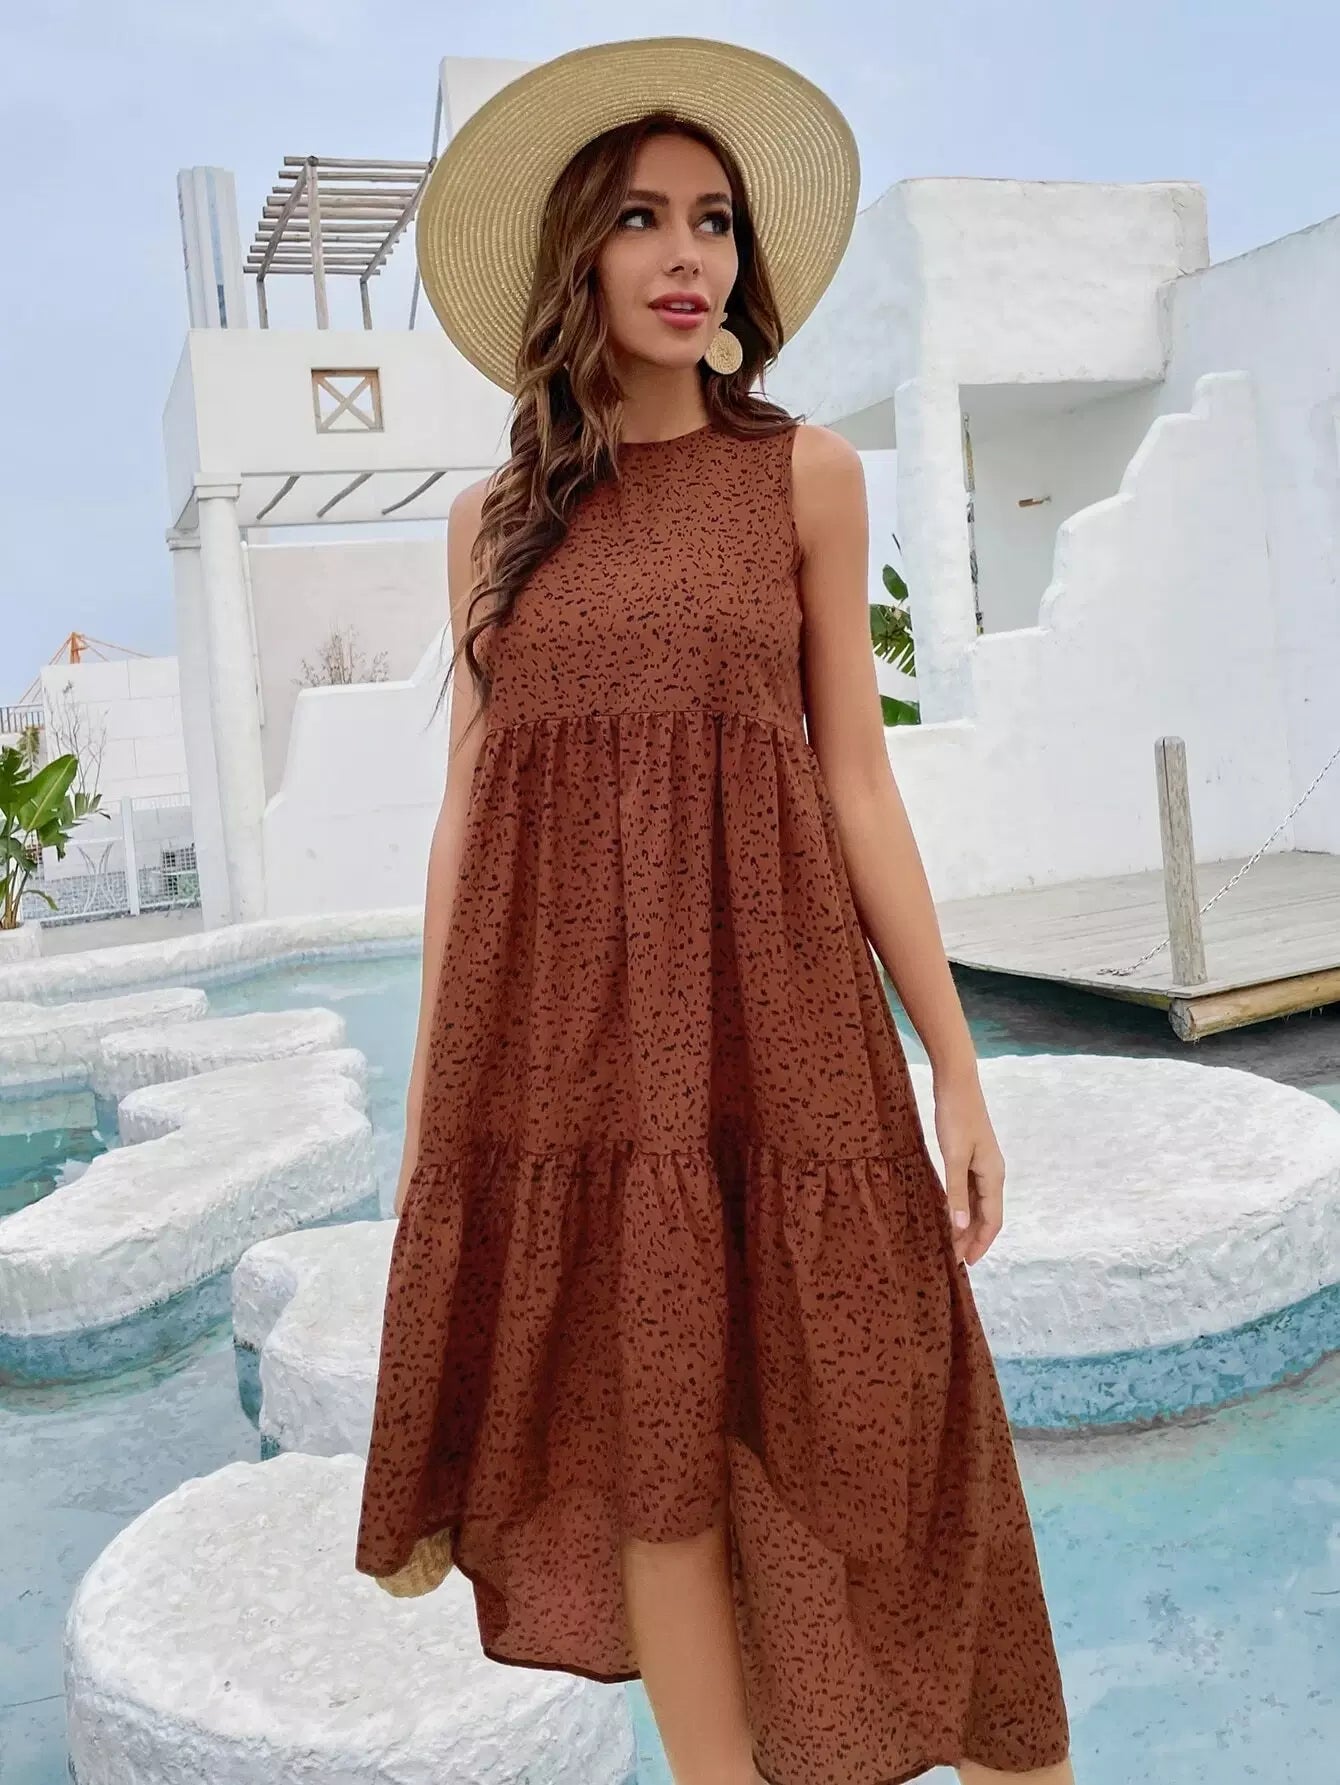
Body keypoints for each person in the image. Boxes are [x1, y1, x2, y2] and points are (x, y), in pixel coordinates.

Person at [353, 35, 1073, 1785]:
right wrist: (439, 1104)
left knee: (893, 1413)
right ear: (576, 256)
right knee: (650, 1449)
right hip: (577, 1057)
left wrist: (954, 1063)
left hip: (784, 1024)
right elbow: (468, 815)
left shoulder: (802, 474)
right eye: (642, 219)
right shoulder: (493, 522)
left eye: (715, 222)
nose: (688, 257)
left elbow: (855, 785)